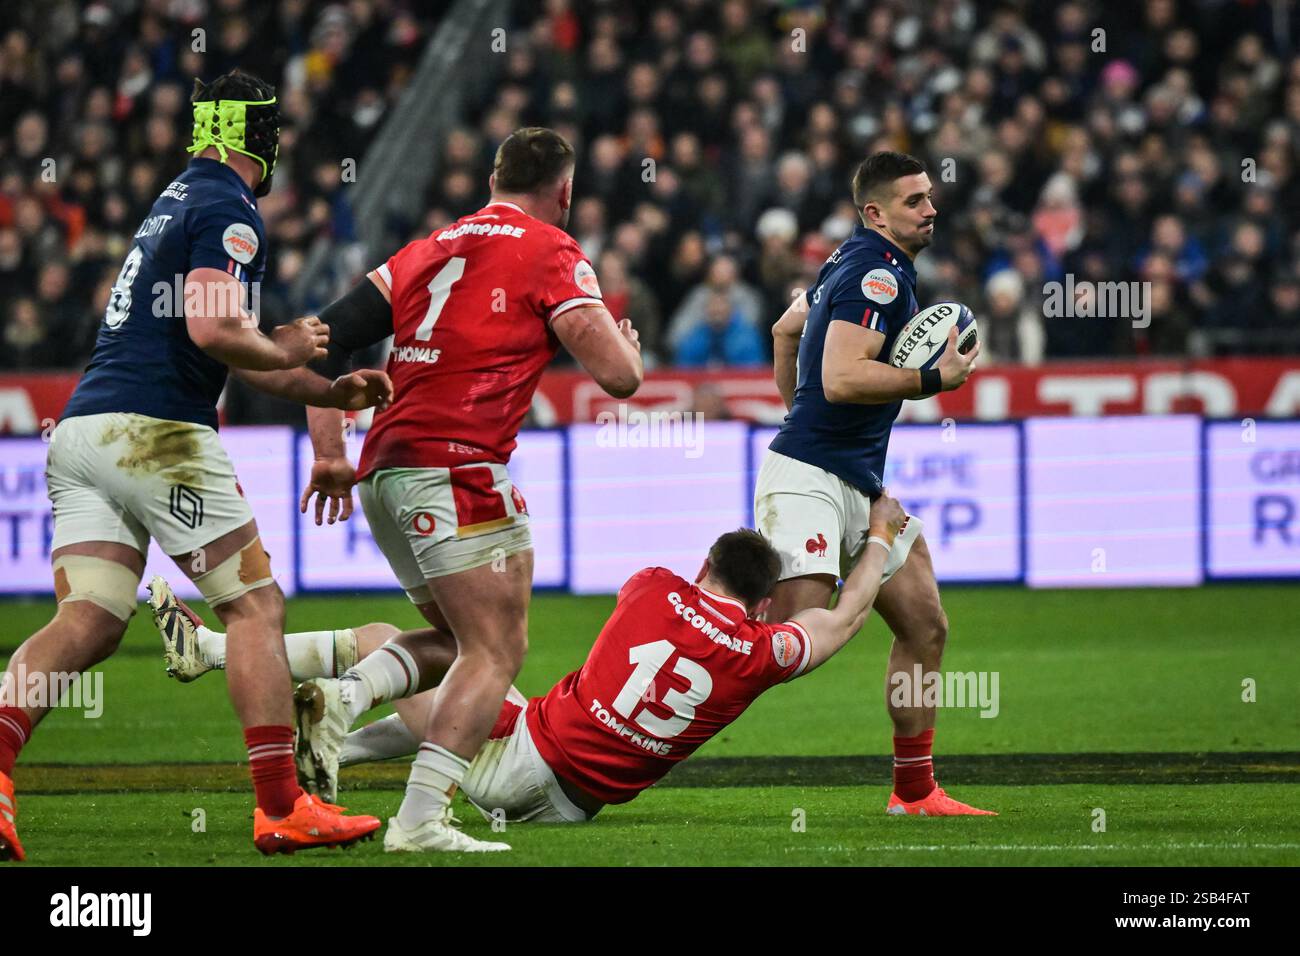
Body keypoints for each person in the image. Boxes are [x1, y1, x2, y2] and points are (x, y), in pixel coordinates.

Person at [0, 70, 393, 862]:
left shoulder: (176, 199)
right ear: (257, 134)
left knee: (87, 622)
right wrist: (285, 343)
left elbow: (235, 351)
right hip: (156, 432)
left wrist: (324, 385)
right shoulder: (228, 207)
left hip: (83, 430)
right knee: (255, 608)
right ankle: (282, 806)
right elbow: (218, 330)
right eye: (273, 130)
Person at [293, 127, 644, 852]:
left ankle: (344, 697)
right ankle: (419, 821)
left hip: (383, 468)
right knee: (495, 650)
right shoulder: (552, 249)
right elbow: (619, 377)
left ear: (492, 178)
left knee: (460, 643)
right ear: (565, 191)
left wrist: (329, 451)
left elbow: (316, 341)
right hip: (457, 466)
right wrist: (629, 350)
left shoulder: (428, 248)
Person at [149, 495, 912, 823]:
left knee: (405, 643)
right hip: (571, 805)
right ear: (766, 601)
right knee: (461, 702)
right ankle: (331, 741)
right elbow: (842, 619)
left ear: (702, 562)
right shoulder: (762, 650)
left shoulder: (649, 587)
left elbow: (668, 611)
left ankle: (258, 668)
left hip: (525, 754)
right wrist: (879, 536)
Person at [756, 150, 993, 816]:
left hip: (855, 483)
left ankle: (913, 794)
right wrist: (931, 380)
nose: (930, 208)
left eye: (929, 197)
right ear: (875, 213)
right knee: (793, 640)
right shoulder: (876, 275)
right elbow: (840, 378)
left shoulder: (849, 263)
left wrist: (794, 386)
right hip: (812, 478)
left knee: (925, 626)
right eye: (914, 200)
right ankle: (670, 652)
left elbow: (790, 336)